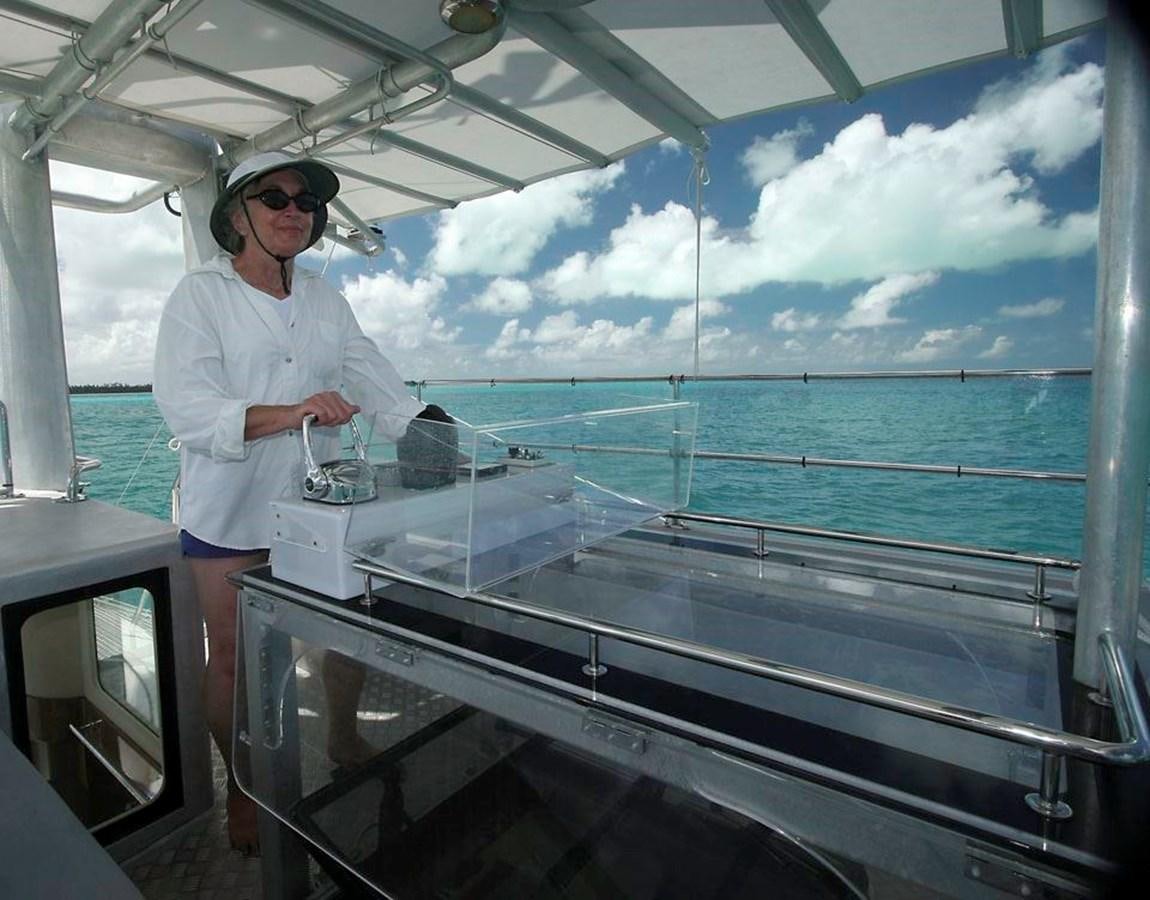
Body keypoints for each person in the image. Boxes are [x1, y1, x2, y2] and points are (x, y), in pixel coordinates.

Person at [153, 150, 455, 854]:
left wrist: (434, 434)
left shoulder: (325, 299)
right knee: (230, 655)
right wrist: (293, 412)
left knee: (349, 631)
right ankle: (245, 786)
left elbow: (374, 380)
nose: (295, 209)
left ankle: (344, 735)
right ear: (237, 215)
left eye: (307, 202)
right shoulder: (199, 296)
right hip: (228, 511)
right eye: (275, 197)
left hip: (319, 506)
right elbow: (189, 411)